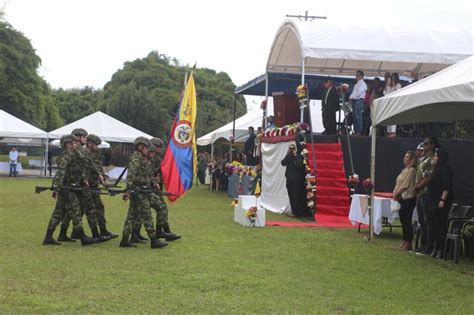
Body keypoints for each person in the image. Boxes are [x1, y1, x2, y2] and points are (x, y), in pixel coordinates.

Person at [42, 135, 94, 246]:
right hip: (67, 189)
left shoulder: (73, 155)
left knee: (59, 213)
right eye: (74, 143)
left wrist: (83, 180)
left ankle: (48, 237)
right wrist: (57, 188)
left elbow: (78, 169)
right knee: (75, 211)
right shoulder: (66, 155)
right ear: (68, 144)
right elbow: (61, 172)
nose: (76, 144)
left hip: (69, 187)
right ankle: (82, 237)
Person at [119, 137, 168, 249]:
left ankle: (125, 240)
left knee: (132, 216)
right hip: (137, 191)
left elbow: (147, 175)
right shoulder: (136, 159)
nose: (148, 150)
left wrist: (153, 182)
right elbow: (130, 175)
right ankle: (153, 239)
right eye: (146, 147)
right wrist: (128, 191)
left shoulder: (142, 158)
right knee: (147, 214)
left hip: (143, 190)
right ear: (140, 147)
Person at [86, 134, 117, 239]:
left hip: (94, 186)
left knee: (98, 207)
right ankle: (96, 234)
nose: (97, 147)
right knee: (88, 210)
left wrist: (103, 177)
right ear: (90, 143)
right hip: (87, 186)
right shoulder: (85, 154)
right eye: (96, 145)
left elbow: (97, 168)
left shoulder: (95, 155)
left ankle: (103, 231)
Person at [414, 136, 440, 256]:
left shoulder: (434, 158)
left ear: (433, 145)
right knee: (422, 220)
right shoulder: (425, 157)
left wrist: (419, 186)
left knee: (427, 220)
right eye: (423, 143)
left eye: (426, 143)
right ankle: (423, 245)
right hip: (420, 192)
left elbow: (430, 175)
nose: (424, 145)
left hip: (426, 192)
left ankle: (429, 247)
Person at [427, 150, 453, 259]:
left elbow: (446, 187)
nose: (435, 157)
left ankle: (442, 249)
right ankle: (436, 248)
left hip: (440, 202)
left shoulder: (445, 170)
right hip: (433, 200)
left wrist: (442, 200)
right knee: (435, 225)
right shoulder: (436, 169)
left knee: (440, 226)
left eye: (437, 156)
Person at [393, 151, 417, 251]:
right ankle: (405, 241)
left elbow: (405, 185)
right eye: (404, 156)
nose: (404, 158)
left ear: (411, 159)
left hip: (408, 198)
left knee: (407, 220)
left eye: (407, 157)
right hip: (402, 197)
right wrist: (395, 192)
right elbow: (398, 183)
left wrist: (397, 193)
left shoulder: (412, 170)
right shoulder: (404, 170)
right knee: (403, 220)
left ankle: (408, 242)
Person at [281, 144, 309, 218]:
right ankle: (294, 211)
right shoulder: (288, 156)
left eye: (292, 149)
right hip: (289, 179)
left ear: (295, 149)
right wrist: (288, 155)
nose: (291, 150)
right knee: (291, 196)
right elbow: (282, 163)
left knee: (296, 196)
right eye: (290, 149)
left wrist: (295, 156)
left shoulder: (299, 156)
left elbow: (299, 165)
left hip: (297, 180)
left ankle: (296, 212)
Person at [348, 70, 367, 135]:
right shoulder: (357, 84)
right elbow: (354, 92)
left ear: (361, 76)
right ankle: (356, 130)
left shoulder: (363, 84)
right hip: (355, 100)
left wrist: (352, 97)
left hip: (359, 100)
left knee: (358, 116)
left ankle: (359, 131)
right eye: (356, 75)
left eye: (357, 75)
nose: (356, 77)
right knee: (354, 116)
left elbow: (359, 93)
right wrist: (351, 97)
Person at [385, 73, 402, 137]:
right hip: (389, 103)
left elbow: (397, 92)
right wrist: (387, 84)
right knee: (388, 117)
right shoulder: (389, 86)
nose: (392, 79)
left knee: (393, 117)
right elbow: (385, 93)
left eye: (393, 77)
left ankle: (393, 132)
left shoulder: (398, 85)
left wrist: (394, 85)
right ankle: (389, 132)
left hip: (395, 103)